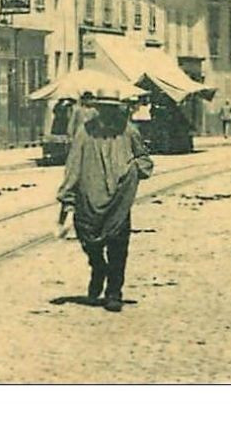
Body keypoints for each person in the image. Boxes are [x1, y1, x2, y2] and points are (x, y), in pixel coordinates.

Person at [56, 94, 154, 312]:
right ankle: (98, 269)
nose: (110, 114)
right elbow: (73, 164)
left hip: (118, 201)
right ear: (98, 109)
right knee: (90, 243)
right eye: (105, 109)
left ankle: (114, 292)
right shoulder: (85, 132)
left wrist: (133, 170)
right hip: (88, 199)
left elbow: (145, 160)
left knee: (118, 248)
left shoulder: (129, 131)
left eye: (114, 109)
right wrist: (68, 196)